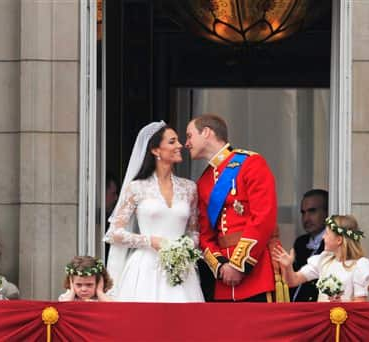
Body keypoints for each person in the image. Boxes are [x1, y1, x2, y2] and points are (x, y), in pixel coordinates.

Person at [104, 121, 204, 302]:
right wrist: (151, 241)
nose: (180, 145)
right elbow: (114, 233)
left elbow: (194, 230)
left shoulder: (189, 188)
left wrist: (185, 247)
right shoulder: (136, 188)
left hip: (180, 269)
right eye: (172, 142)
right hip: (144, 268)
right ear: (156, 150)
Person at [185, 113, 277, 302]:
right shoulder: (204, 181)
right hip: (224, 280)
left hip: (256, 272)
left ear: (207, 133)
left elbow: (263, 217)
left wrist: (238, 265)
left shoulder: (251, 163)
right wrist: (221, 266)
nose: (186, 143)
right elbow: (205, 235)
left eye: (189, 136)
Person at [273, 215, 369, 302]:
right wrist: (288, 266)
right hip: (323, 319)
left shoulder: (359, 265)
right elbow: (293, 281)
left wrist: (341, 303)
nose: (323, 237)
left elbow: (360, 302)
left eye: (327, 233)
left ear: (339, 240)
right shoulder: (323, 260)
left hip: (344, 320)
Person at [290, 189, 328, 302]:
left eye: (312, 211)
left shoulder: (334, 243)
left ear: (327, 212)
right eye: (303, 212)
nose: (306, 218)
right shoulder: (300, 242)